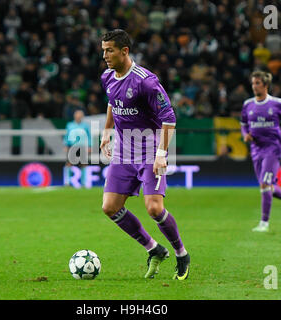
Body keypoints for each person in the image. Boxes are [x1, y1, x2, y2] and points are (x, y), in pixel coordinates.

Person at [99, 29, 190, 280]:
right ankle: (154, 249)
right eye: (103, 49)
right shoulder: (107, 77)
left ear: (124, 51)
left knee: (154, 209)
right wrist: (107, 131)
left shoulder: (146, 81)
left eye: (110, 50)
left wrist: (162, 153)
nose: (105, 55)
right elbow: (111, 102)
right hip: (123, 153)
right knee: (110, 207)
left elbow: (169, 118)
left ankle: (181, 253)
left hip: (150, 152)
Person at [240, 71, 281, 232]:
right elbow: (243, 124)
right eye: (253, 83)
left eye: (257, 83)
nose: (254, 86)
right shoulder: (247, 104)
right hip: (256, 149)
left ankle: (264, 223)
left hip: (272, 148)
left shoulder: (276, 103)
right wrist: (245, 135)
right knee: (268, 187)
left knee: (264, 184)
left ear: (265, 85)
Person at [63, 109, 91, 187]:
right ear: (74, 116)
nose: (78, 117)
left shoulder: (85, 126)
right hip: (73, 146)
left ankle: (84, 182)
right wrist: (66, 145)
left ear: (82, 116)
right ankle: (67, 182)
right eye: (77, 115)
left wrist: (89, 146)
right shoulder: (70, 125)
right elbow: (67, 136)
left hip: (83, 146)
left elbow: (89, 136)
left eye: (80, 115)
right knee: (69, 163)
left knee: (84, 164)